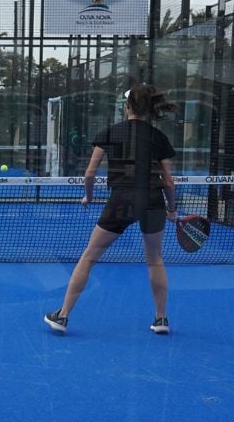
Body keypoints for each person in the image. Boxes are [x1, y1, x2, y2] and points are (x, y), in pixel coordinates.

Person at [44, 84, 177, 335]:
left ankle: (62, 316)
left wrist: (88, 196)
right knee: (155, 260)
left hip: (121, 201)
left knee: (89, 256)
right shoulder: (159, 137)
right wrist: (172, 209)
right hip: (153, 201)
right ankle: (161, 320)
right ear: (150, 109)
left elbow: (90, 173)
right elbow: (168, 181)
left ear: (126, 107)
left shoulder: (109, 133)